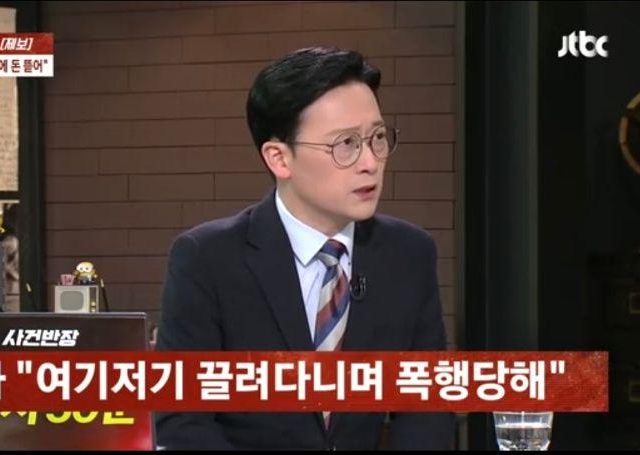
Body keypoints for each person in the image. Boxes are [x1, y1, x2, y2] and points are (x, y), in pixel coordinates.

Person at [156, 47, 454, 450]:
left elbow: (426, 409)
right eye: (345, 144)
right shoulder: (207, 259)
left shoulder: (408, 254)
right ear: (279, 158)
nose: (370, 162)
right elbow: (183, 422)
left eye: (378, 138)